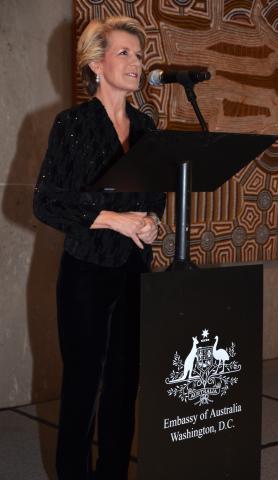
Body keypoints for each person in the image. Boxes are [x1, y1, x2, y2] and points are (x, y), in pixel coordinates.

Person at [33, 16, 166, 480]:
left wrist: (151, 225)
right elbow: (47, 202)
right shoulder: (72, 124)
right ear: (95, 63)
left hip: (133, 272)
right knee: (83, 390)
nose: (136, 62)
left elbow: (155, 200)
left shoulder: (147, 128)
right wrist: (111, 218)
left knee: (124, 388)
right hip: (86, 274)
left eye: (138, 53)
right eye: (124, 53)